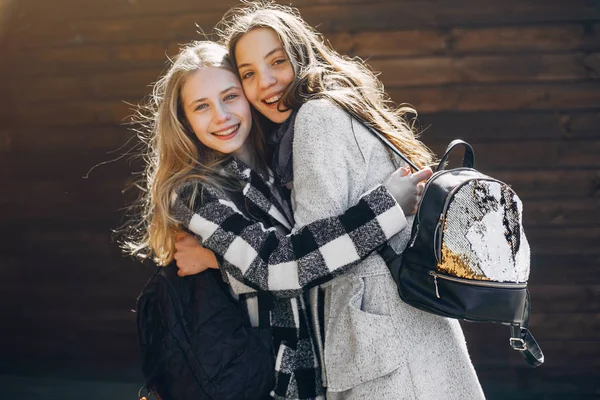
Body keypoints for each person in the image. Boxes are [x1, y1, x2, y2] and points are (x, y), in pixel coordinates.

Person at [177, 2, 485, 399]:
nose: (266, 83)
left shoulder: (314, 119)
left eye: (277, 62)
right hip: (407, 335)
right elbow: (304, 254)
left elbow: (305, 260)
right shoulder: (323, 117)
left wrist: (219, 260)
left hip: (383, 345)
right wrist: (225, 259)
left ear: (302, 55)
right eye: (250, 74)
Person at [124, 40, 431, 399]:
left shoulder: (282, 163)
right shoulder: (194, 193)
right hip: (265, 382)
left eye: (230, 97)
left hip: (327, 372)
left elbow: (311, 253)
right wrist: (386, 208)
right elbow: (277, 267)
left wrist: (221, 263)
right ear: (185, 121)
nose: (221, 116)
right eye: (202, 106)